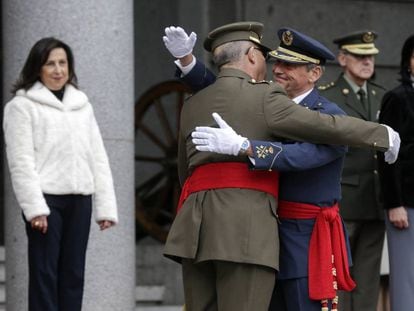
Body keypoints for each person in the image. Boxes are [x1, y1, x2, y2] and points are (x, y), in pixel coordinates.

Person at [163, 21, 398, 311]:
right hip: (258, 233)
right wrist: (188, 64)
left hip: (302, 239)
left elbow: (304, 155)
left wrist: (247, 147)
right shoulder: (262, 100)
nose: (278, 70)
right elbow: (226, 89)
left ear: (314, 73)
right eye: (276, 61)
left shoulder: (328, 115)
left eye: (290, 65)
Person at [3, 37, 118, 311]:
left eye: (62, 63)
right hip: (46, 202)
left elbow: (97, 157)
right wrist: (34, 209)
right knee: (45, 275)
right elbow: (20, 161)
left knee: (73, 275)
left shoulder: (82, 105)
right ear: (37, 68)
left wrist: (105, 208)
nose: (58, 70)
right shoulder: (21, 107)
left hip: (80, 200)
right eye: (50, 63)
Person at [318, 30, 385, 311]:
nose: (367, 61)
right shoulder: (328, 96)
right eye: (360, 55)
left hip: (376, 200)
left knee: (368, 278)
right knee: (339, 276)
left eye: (370, 56)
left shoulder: (381, 95)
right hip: (344, 199)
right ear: (343, 58)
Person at [377, 34, 414, 311]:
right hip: (407, 205)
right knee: (406, 280)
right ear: (408, 62)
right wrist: (394, 203)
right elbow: (387, 156)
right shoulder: (397, 98)